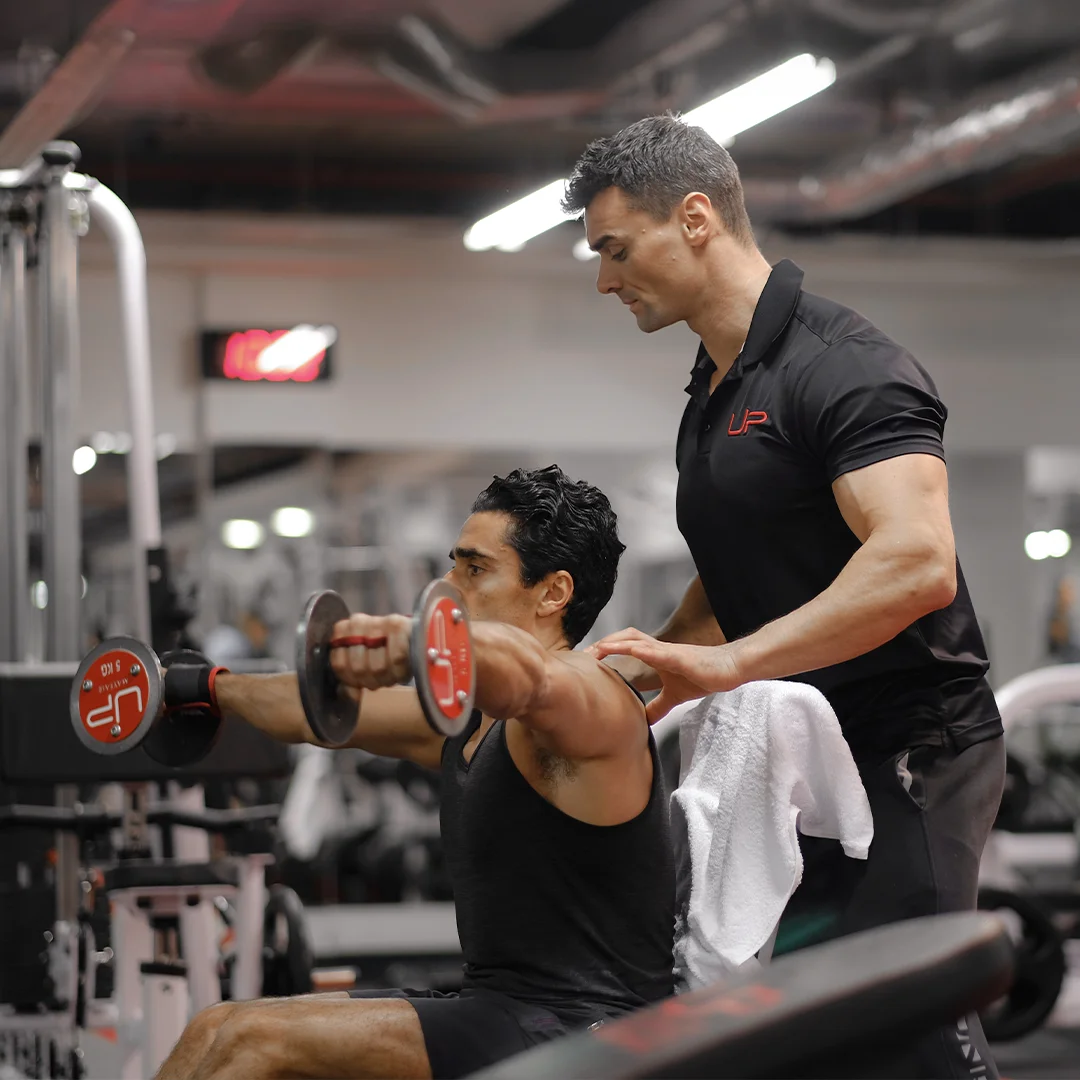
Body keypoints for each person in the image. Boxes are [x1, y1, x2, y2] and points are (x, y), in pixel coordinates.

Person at [562, 114, 1005, 1080]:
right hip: (798, 745)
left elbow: (916, 561)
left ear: (693, 220)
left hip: (908, 746)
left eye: (615, 249)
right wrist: (640, 674)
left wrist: (726, 665)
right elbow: (740, 568)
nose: (605, 279)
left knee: (902, 1019)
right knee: (796, 1030)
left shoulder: (840, 364)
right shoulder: (717, 383)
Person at [154, 465, 674, 1080]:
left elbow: (530, 677)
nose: (448, 585)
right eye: (453, 565)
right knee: (216, 1025)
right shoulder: (466, 721)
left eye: (475, 570)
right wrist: (203, 688)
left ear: (553, 593)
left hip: (589, 1031)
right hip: (500, 1010)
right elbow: (315, 710)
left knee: (254, 1042)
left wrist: (419, 639)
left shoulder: (594, 698)